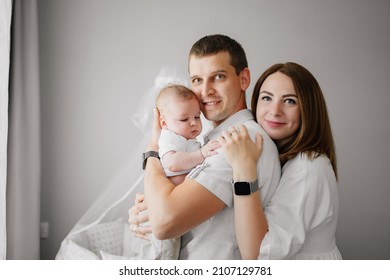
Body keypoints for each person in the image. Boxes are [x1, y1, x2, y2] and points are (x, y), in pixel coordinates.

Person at [129, 34, 281, 259]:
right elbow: (166, 207)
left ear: (244, 79)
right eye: (197, 80)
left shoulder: (239, 141)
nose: (205, 91)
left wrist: (152, 150)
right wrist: (149, 208)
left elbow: (164, 223)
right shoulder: (209, 141)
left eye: (218, 77)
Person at [219, 62, 342, 259]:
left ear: (308, 109)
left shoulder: (308, 167)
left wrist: (244, 168)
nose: (275, 111)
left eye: (290, 101)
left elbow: (258, 255)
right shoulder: (284, 159)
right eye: (267, 98)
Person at [138, 83, 220, 259]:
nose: (193, 123)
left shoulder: (187, 138)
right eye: (184, 119)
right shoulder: (169, 137)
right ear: (164, 122)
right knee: (163, 253)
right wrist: (201, 154)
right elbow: (172, 162)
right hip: (160, 207)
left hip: (173, 205)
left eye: (197, 117)